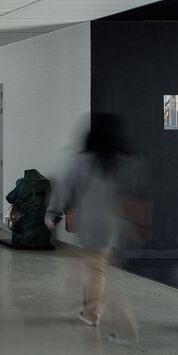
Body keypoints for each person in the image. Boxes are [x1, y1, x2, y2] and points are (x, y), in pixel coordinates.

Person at [48, 114, 147, 341]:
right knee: (98, 268)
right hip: (116, 224)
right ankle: (90, 308)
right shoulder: (125, 162)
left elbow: (66, 188)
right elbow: (136, 193)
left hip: (91, 224)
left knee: (97, 269)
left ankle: (99, 316)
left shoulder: (82, 161)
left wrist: (53, 213)